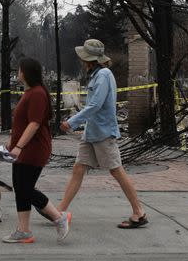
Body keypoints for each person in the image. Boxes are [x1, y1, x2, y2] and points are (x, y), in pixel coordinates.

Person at [58, 39, 148, 229]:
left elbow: (95, 105)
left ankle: (139, 212)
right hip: (92, 132)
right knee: (78, 169)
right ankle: (59, 213)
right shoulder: (96, 75)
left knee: (116, 170)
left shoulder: (103, 76)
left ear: (90, 60)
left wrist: (72, 122)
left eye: (84, 59)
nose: (82, 62)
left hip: (104, 133)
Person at [3, 57, 71, 243]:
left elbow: (34, 124)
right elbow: (23, 123)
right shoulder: (30, 92)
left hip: (33, 149)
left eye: (19, 70)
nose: (17, 73)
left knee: (25, 188)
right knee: (20, 188)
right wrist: (12, 142)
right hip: (23, 149)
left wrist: (18, 146)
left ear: (25, 72)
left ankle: (59, 217)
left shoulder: (38, 94)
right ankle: (24, 231)